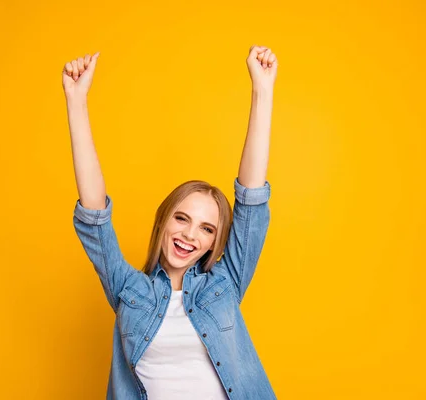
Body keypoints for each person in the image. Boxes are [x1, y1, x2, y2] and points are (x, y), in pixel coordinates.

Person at [63, 45, 278, 400]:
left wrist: (262, 90)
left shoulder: (225, 283)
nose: (190, 235)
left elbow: (251, 201)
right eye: (182, 218)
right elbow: (95, 217)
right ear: (163, 221)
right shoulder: (128, 291)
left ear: (215, 243)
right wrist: (76, 101)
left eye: (207, 229)